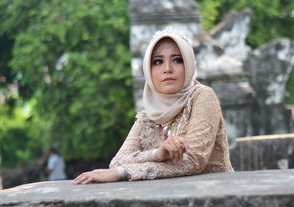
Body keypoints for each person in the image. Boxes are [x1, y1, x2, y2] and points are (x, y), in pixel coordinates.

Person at [73, 28, 233, 184]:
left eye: (177, 60)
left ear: (189, 64)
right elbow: (117, 162)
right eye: (158, 62)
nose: (167, 69)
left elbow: (193, 160)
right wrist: (157, 154)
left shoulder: (202, 96)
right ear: (148, 69)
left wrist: (125, 172)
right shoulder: (149, 115)